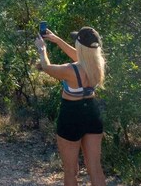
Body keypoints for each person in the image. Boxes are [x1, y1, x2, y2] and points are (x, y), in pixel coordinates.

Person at [35, 26, 106, 186]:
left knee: (71, 171)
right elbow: (80, 57)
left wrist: (42, 49)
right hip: (92, 115)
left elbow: (46, 67)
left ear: (80, 46)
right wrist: (57, 39)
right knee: (95, 168)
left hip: (71, 116)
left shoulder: (70, 70)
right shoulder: (97, 64)